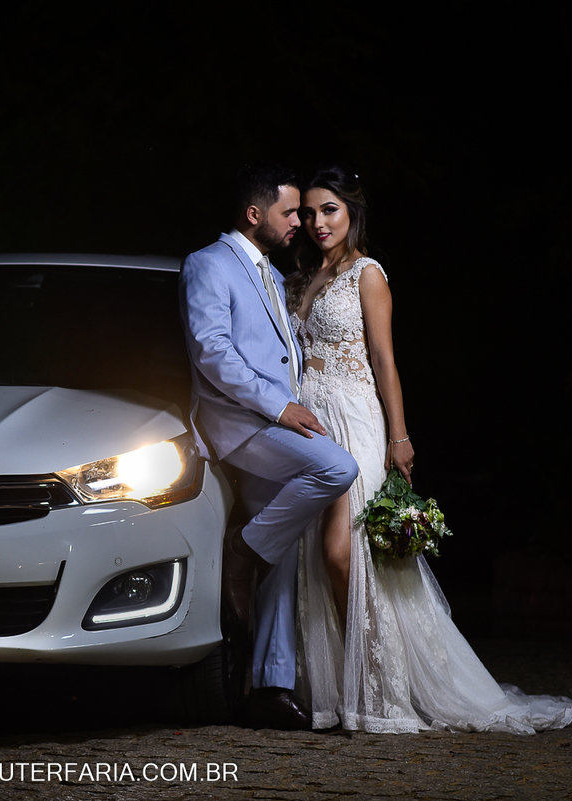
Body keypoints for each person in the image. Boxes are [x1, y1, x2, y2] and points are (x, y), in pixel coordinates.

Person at [287, 165, 572, 732]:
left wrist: (400, 435)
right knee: (318, 562)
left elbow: (384, 361)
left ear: (353, 213)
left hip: (354, 418)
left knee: (343, 554)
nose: (320, 222)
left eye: (331, 210)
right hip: (312, 424)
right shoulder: (304, 278)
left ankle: (375, 684)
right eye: (312, 211)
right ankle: (338, 692)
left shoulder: (366, 274)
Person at [180, 163, 359, 729]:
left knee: (281, 545)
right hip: (242, 426)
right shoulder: (208, 264)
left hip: (274, 424)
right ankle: (244, 549)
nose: (299, 224)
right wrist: (281, 407)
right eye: (290, 213)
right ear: (255, 214)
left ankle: (270, 688)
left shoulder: (275, 276)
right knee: (336, 468)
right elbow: (212, 351)